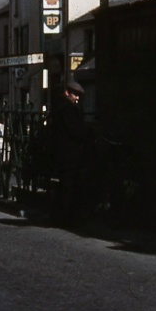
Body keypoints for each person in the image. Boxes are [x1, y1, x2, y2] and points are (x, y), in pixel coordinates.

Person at [50, 81, 91, 225]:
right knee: (70, 186)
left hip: (63, 153)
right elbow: (75, 131)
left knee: (65, 185)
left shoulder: (60, 107)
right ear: (67, 93)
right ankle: (67, 216)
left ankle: (62, 215)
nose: (77, 98)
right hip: (70, 154)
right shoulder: (67, 110)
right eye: (75, 95)